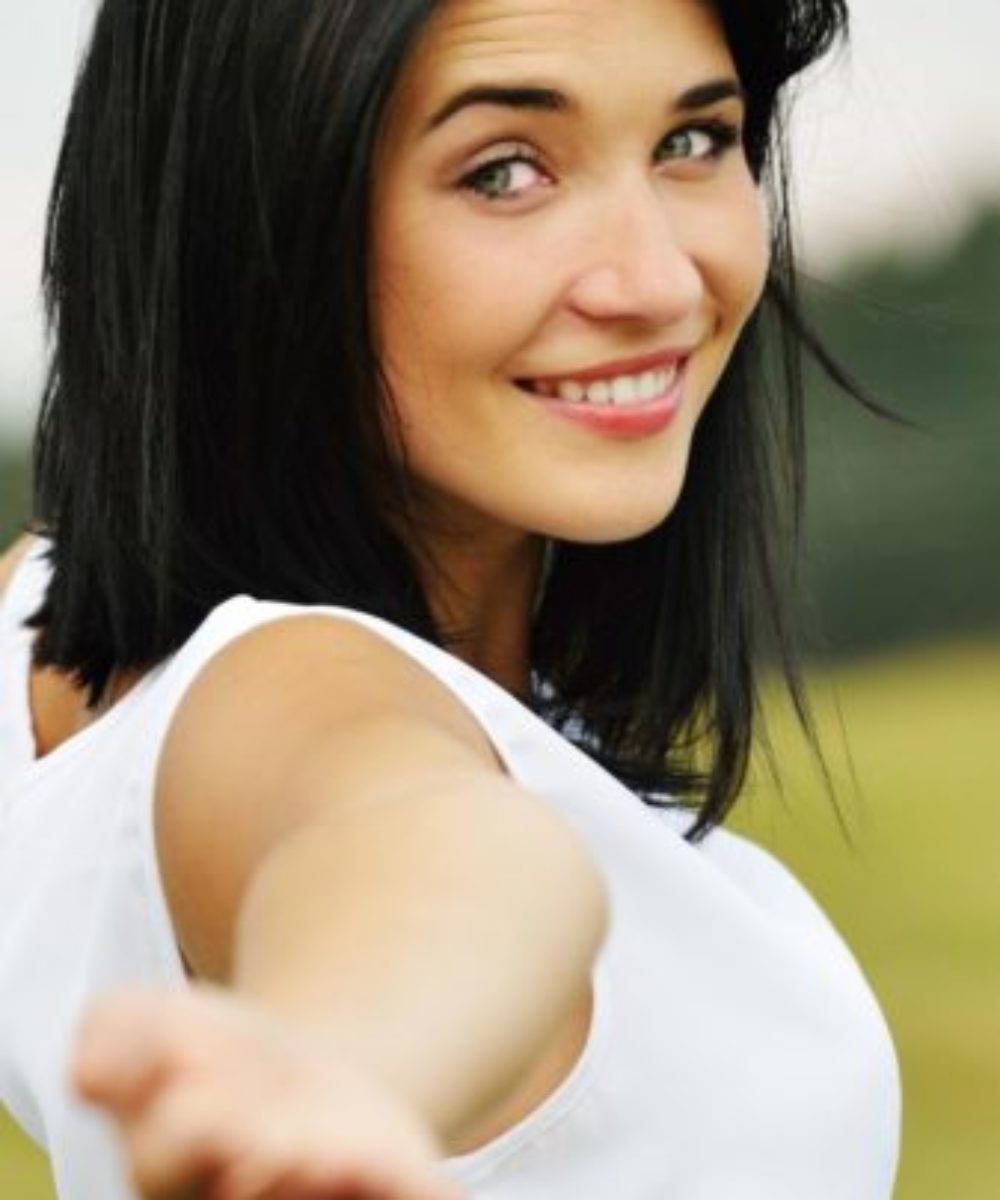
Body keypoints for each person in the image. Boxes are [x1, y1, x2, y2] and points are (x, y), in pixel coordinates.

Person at [0, 0, 902, 1196]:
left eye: (694, 141)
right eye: (505, 170)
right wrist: (335, 1066)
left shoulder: (48, 618)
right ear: (256, 206)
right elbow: (438, 855)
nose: (655, 279)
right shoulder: (285, 682)